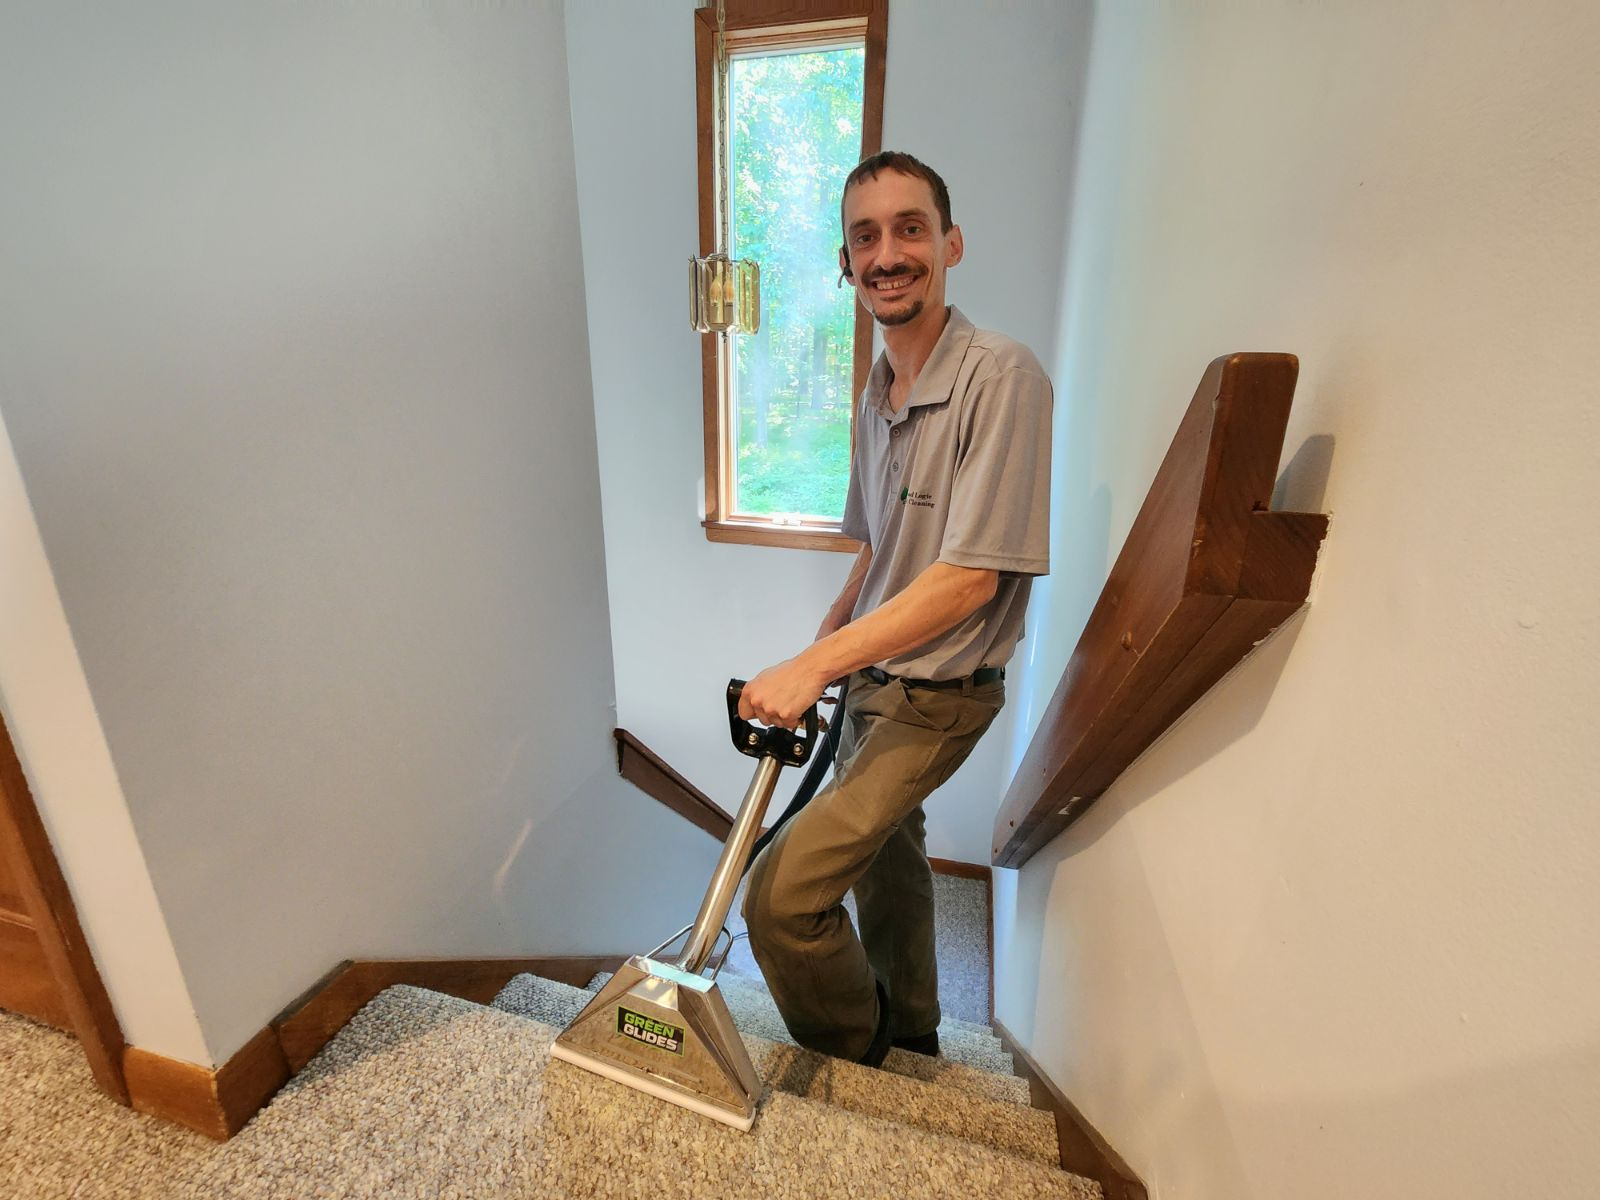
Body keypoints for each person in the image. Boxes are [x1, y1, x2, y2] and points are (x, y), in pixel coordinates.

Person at [737, 151, 1053, 1066]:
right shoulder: (875, 395)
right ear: (847, 264)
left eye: (910, 228)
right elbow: (878, 545)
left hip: (940, 693)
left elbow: (969, 579)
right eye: (865, 237)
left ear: (950, 243)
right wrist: (828, 638)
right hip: (872, 678)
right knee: (888, 858)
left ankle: (859, 1057)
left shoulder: (1002, 378)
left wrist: (813, 668)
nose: (888, 254)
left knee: (781, 899)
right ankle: (915, 1032)